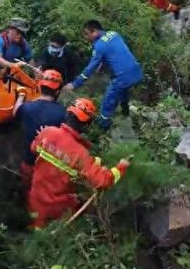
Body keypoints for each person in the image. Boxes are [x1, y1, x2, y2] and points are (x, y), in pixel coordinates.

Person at [27, 98, 130, 229]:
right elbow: (103, 181)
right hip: (58, 211)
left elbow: (33, 148)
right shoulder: (80, 154)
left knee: (36, 230)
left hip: (34, 201)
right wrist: (121, 167)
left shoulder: (48, 132)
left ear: (68, 114)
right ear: (86, 124)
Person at [64, 20, 143, 130]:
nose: (86, 37)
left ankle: (103, 127)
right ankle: (125, 112)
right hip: (136, 71)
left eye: (87, 34)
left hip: (123, 76)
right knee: (123, 90)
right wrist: (102, 62)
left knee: (107, 102)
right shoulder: (114, 34)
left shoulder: (99, 46)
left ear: (95, 31)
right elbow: (116, 50)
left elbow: (90, 68)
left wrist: (75, 84)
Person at [13, 69, 66, 186]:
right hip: (47, 164)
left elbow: (16, 112)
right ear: (57, 92)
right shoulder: (63, 114)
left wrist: (21, 96)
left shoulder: (26, 108)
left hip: (27, 160)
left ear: (39, 86)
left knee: (26, 187)